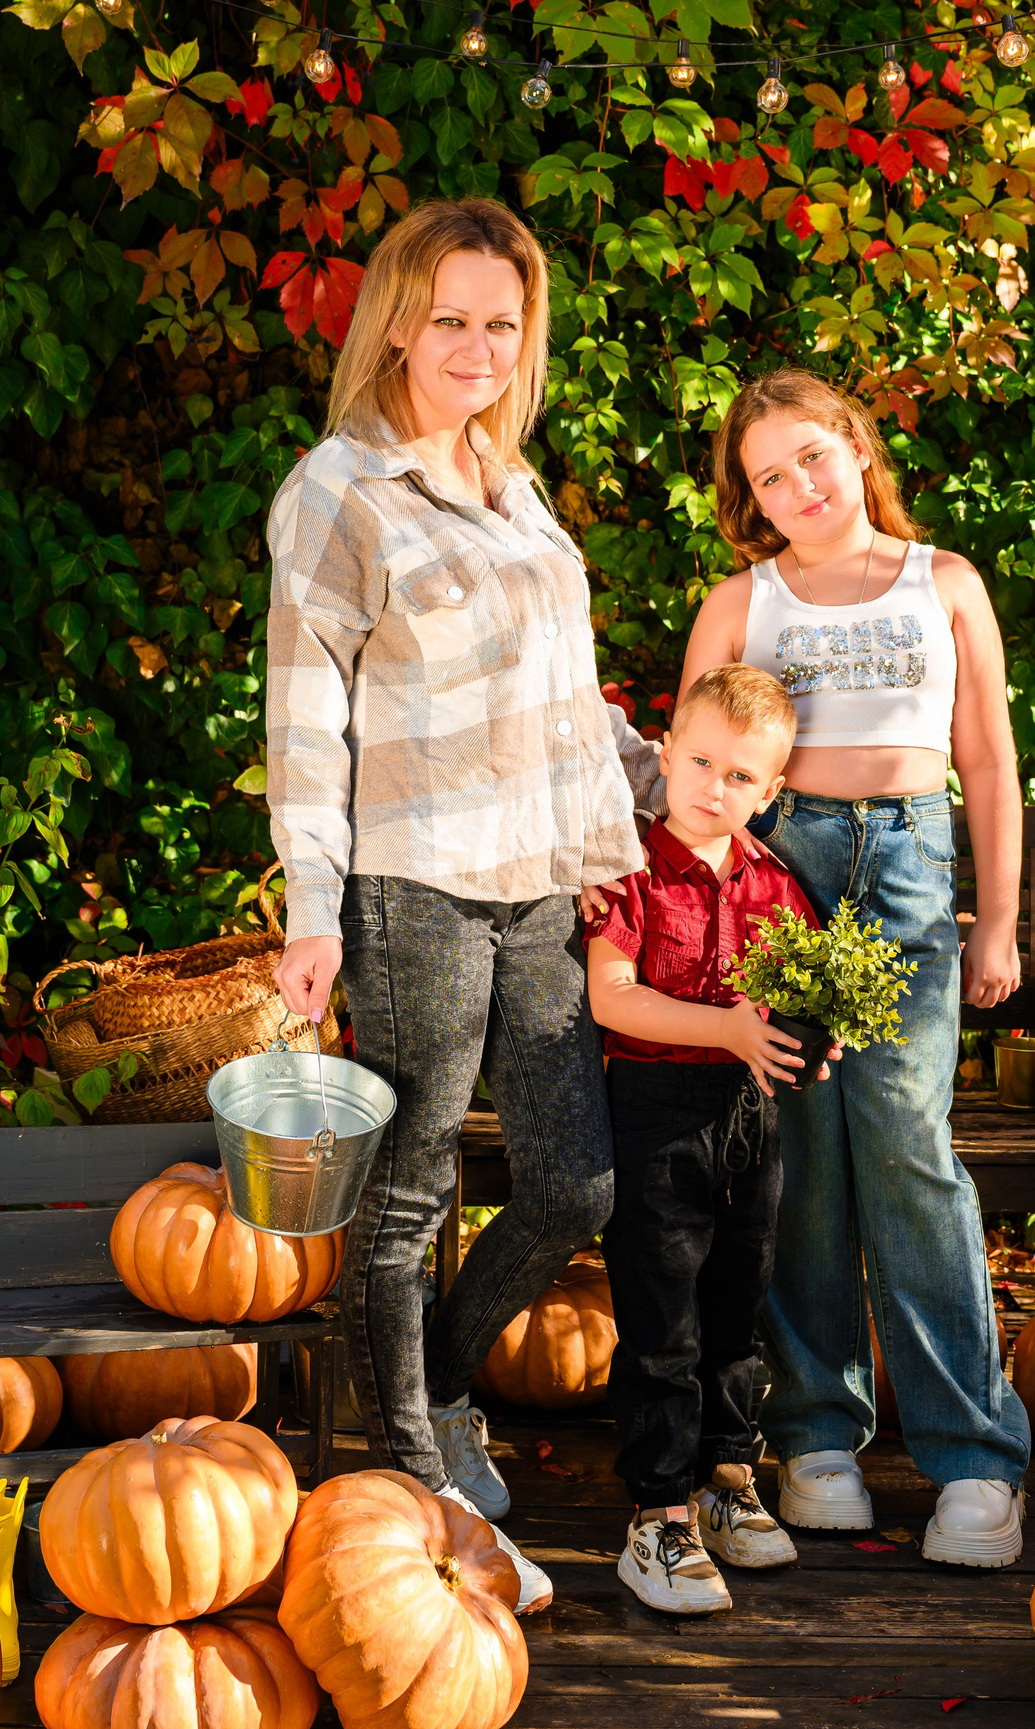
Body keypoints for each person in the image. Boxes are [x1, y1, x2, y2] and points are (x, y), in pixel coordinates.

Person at [266, 198, 663, 1614]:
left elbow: (563, 695)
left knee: (575, 1182)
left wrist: (665, 784)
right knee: (410, 1186)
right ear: (396, 321)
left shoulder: (517, 484)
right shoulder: (340, 491)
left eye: (504, 323)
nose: (480, 346)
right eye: (454, 319)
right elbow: (308, 720)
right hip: (415, 885)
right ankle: (415, 1468)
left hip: (541, 883)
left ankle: (425, 1384)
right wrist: (317, 907)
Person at [676, 368, 1032, 1568]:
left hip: (911, 867)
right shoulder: (741, 603)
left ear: (855, 447)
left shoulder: (946, 583)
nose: (797, 488)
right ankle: (817, 1435)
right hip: (786, 866)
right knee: (800, 1149)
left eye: (811, 458)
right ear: (751, 500)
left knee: (906, 1143)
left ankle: (976, 1456)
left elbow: (985, 757)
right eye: (768, 477)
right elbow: (699, 787)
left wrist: (994, 923)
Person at [581, 663, 824, 1614]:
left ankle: (727, 1482)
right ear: (667, 754)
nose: (711, 785)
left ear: (770, 794)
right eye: (699, 760)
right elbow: (613, 994)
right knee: (662, 1322)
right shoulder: (631, 869)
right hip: (656, 1110)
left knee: (736, 1306)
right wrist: (725, 1025)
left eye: (737, 776)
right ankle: (656, 1514)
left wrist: (817, 1037)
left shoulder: (775, 881)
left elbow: (802, 996)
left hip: (751, 1119)